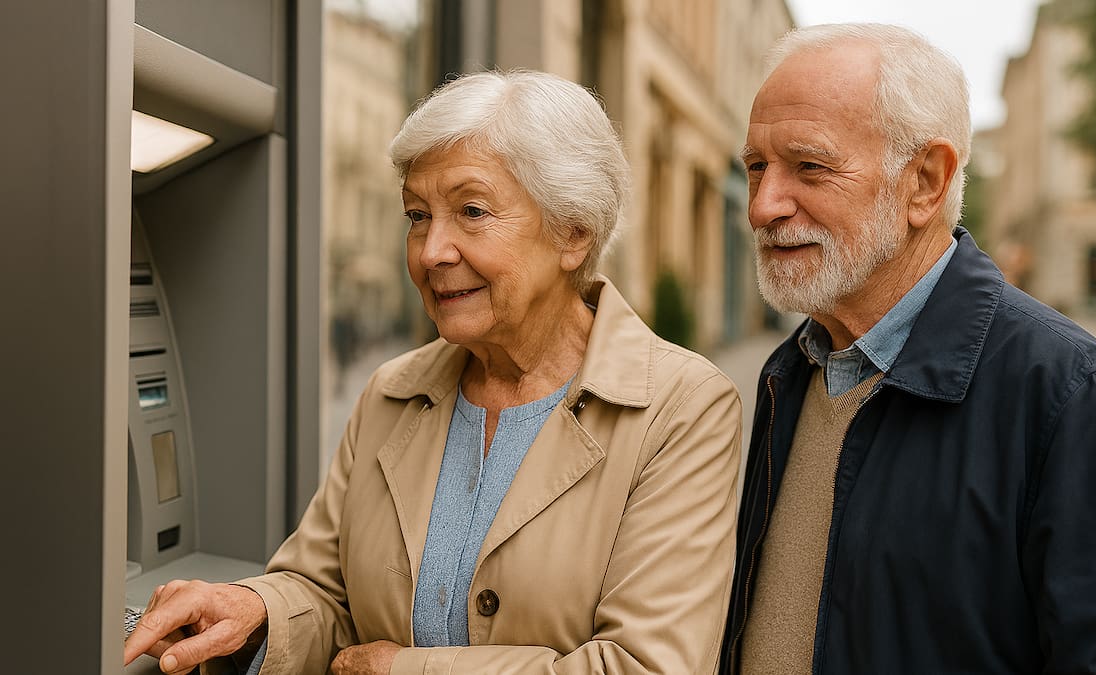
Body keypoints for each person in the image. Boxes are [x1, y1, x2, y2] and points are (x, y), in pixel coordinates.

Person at [124, 69, 742, 675]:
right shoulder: (392, 392)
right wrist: (255, 611)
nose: (430, 251)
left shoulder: (682, 408)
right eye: (417, 215)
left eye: (471, 211)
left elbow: (648, 665)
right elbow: (325, 593)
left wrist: (406, 669)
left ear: (572, 234)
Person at [720, 23, 1096, 674]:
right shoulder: (791, 371)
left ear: (925, 181)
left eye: (809, 166)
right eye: (756, 168)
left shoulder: (1069, 392)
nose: (763, 205)